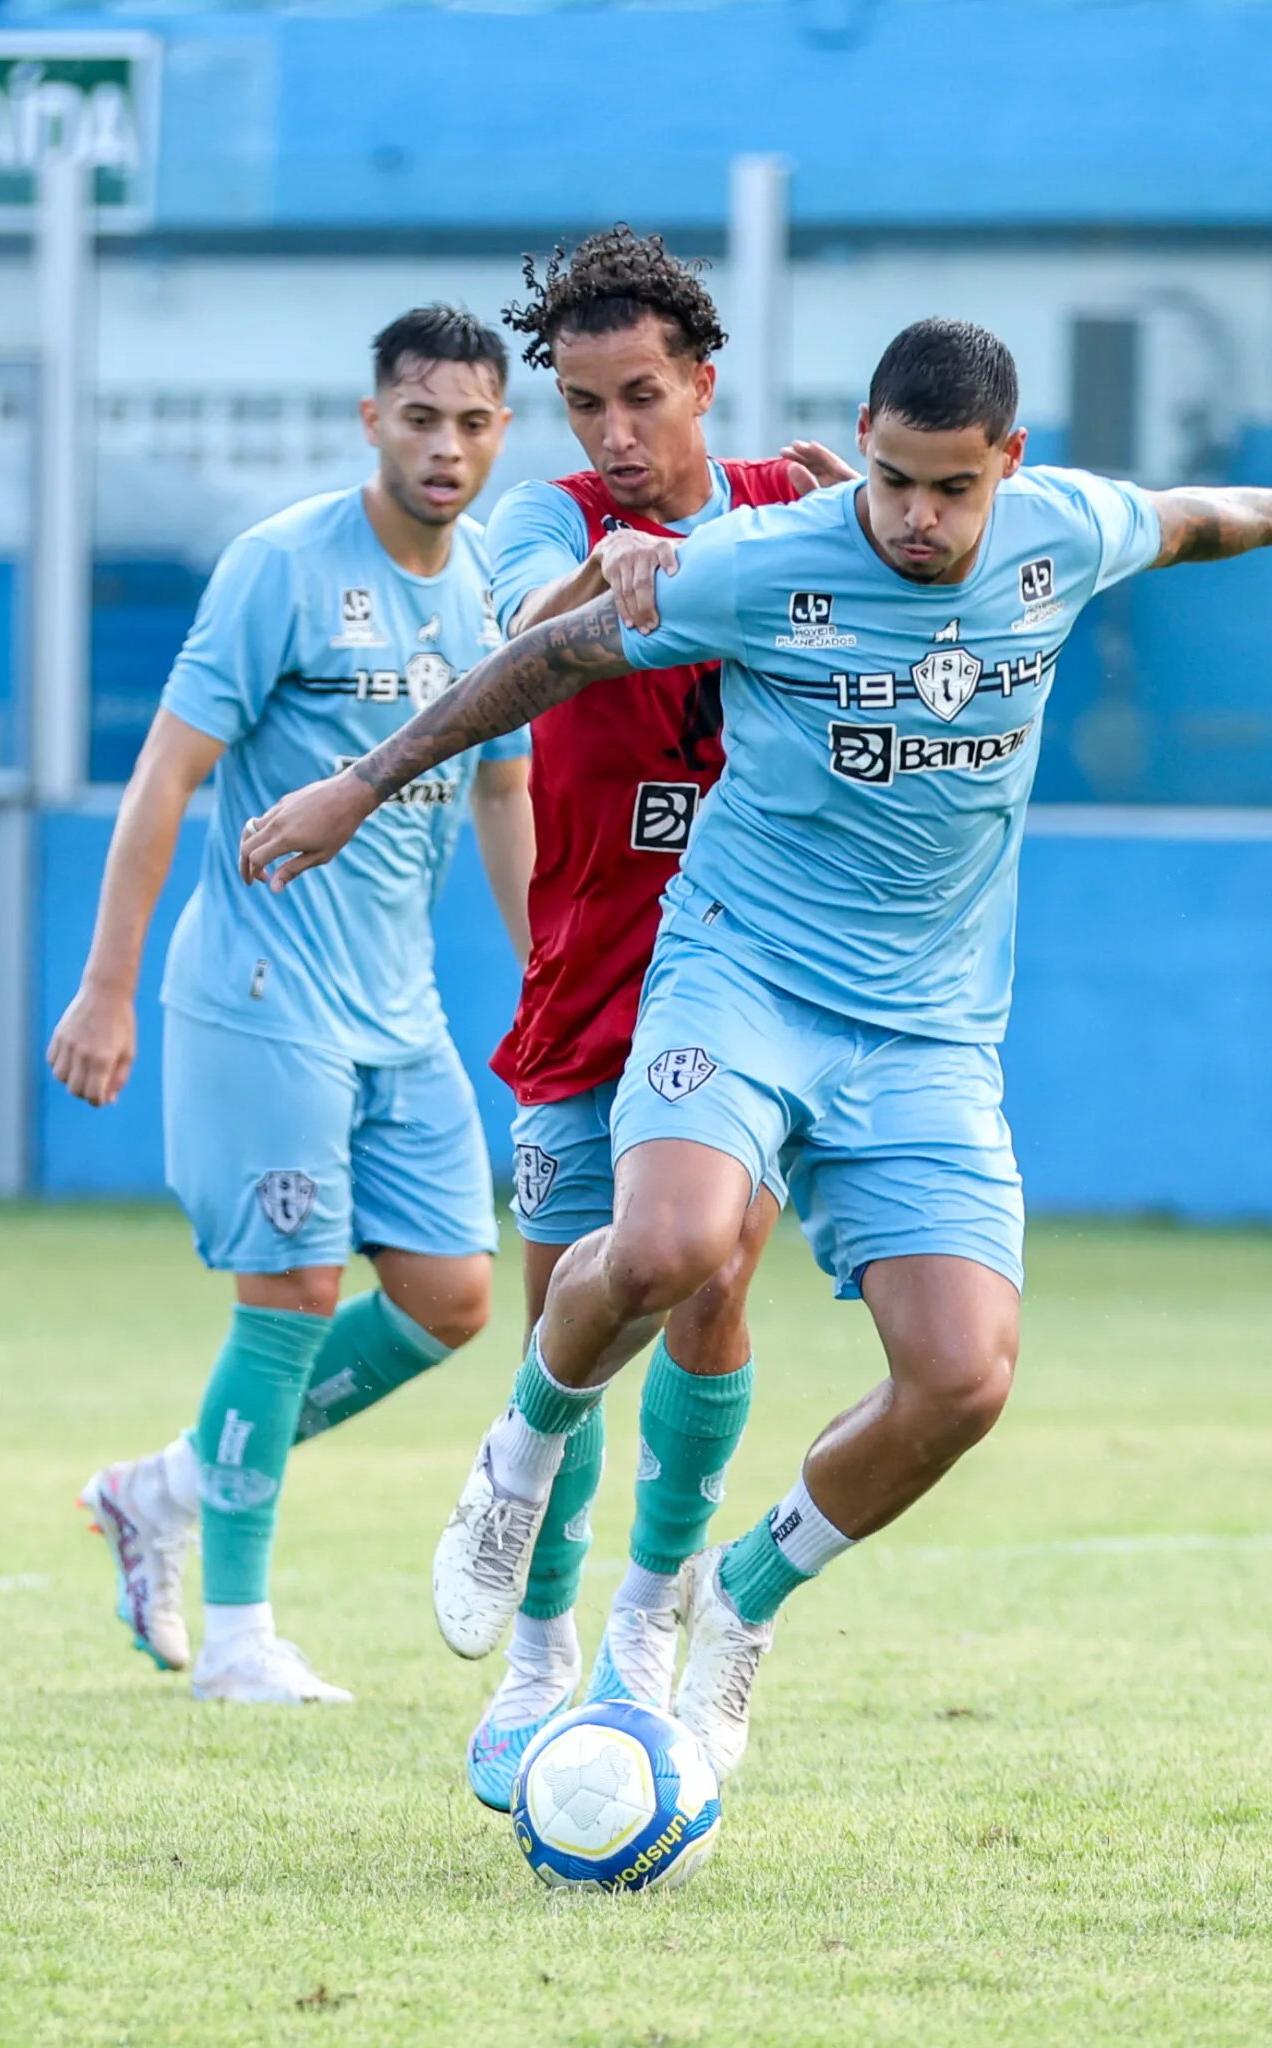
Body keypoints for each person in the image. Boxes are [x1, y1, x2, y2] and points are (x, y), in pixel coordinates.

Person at [238, 317, 1272, 1776]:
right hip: (742, 976)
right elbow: (550, 661)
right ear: (866, 445)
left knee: (963, 1381)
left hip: (930, 1033)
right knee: (665, 1250)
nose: (910, 517)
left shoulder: (1061, 531)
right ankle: (519, 1459)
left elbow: (1193, 519)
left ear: (1007, 469)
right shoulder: (776, 555)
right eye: (891, 480)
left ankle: (741, 1598)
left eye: (949, 490)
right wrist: (361, 780)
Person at [52, 305, 532, 1704]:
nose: (446, 448)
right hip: (262, 991)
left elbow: (504, 793)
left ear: (502, 435)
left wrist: (545, 980)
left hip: (400, 1007)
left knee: (449, 1299)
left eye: (474, 424)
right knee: (295, 1296)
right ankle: (243, 1638)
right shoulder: (280, 568)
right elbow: (166, 778)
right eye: (422, 418)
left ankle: (171, 1487)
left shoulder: (492, 587)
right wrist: (106, 987)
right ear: (371, 420)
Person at [457, 227, 849, 1803]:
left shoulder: (790, 508)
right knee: (576, 1319)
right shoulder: (544, 523)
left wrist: (862, 523)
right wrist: (601, 577)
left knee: (709, 1289)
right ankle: (538, 1647)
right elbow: (514, 644)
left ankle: (648, 1620)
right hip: (586, 984)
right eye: (583, 406)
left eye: (639, 398)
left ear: (704, 383)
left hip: (741, 984)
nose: (613, 437)